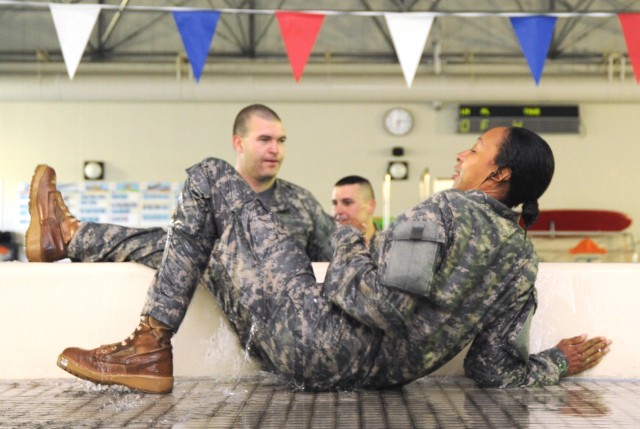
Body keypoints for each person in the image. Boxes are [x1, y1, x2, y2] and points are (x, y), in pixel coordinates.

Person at [49, 125, 610, 394]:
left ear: (499, 174)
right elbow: (494, 370)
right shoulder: (520, 262)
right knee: (203, 247)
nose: (461, 153)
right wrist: (557, 360)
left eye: (476, 148)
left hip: (313, 336)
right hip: (367, 374)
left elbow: (380, 305)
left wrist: (353, 237)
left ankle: (149, 347)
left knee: (210, 176)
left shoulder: (443, 211)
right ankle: (69, 236)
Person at [25, 104, 334, 268]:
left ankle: (69, 235)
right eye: (265, 140)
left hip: (278, 313)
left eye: (281, 141)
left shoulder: (301, 203)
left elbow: (330, 261)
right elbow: (173, 251)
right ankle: (67, 236)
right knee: (172, 245)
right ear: (238, 143)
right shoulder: (208, 196)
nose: (275, 150)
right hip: (216, 301)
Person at [331, 175, 377, 244]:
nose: (338, 211)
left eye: (347, 203)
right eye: (335, 204)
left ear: (371, 206)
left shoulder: (390, 248)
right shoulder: (324, 249)